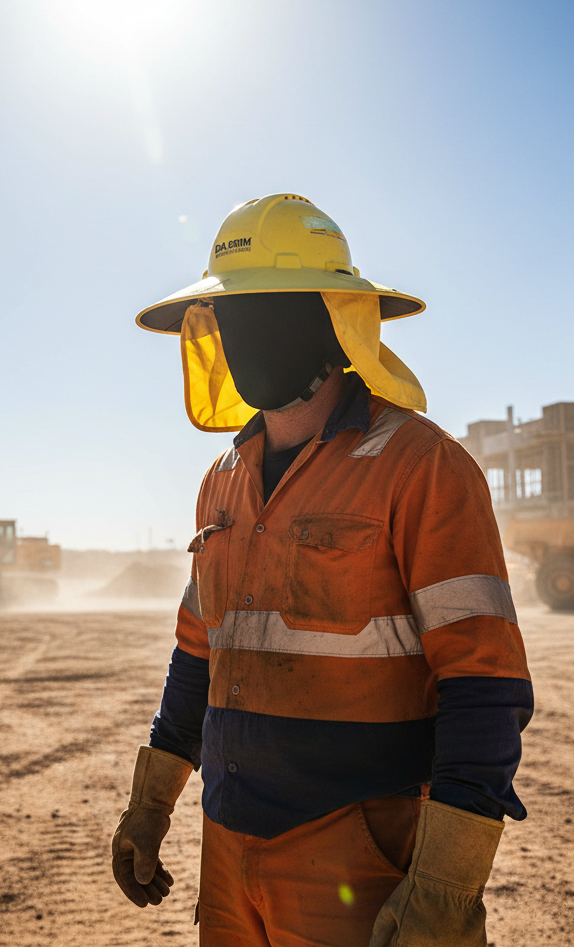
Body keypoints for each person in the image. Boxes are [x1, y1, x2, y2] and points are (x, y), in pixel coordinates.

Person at [112, 194, 533, 947]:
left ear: (335, 322)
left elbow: (485, 683)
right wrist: (151, 805)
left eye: (268, 315)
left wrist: (444, 888)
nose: (246, 338)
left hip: (357, 854)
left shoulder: (423, 467)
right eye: (231, 318)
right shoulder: (222, 481)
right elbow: (198, 656)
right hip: (227, 847)